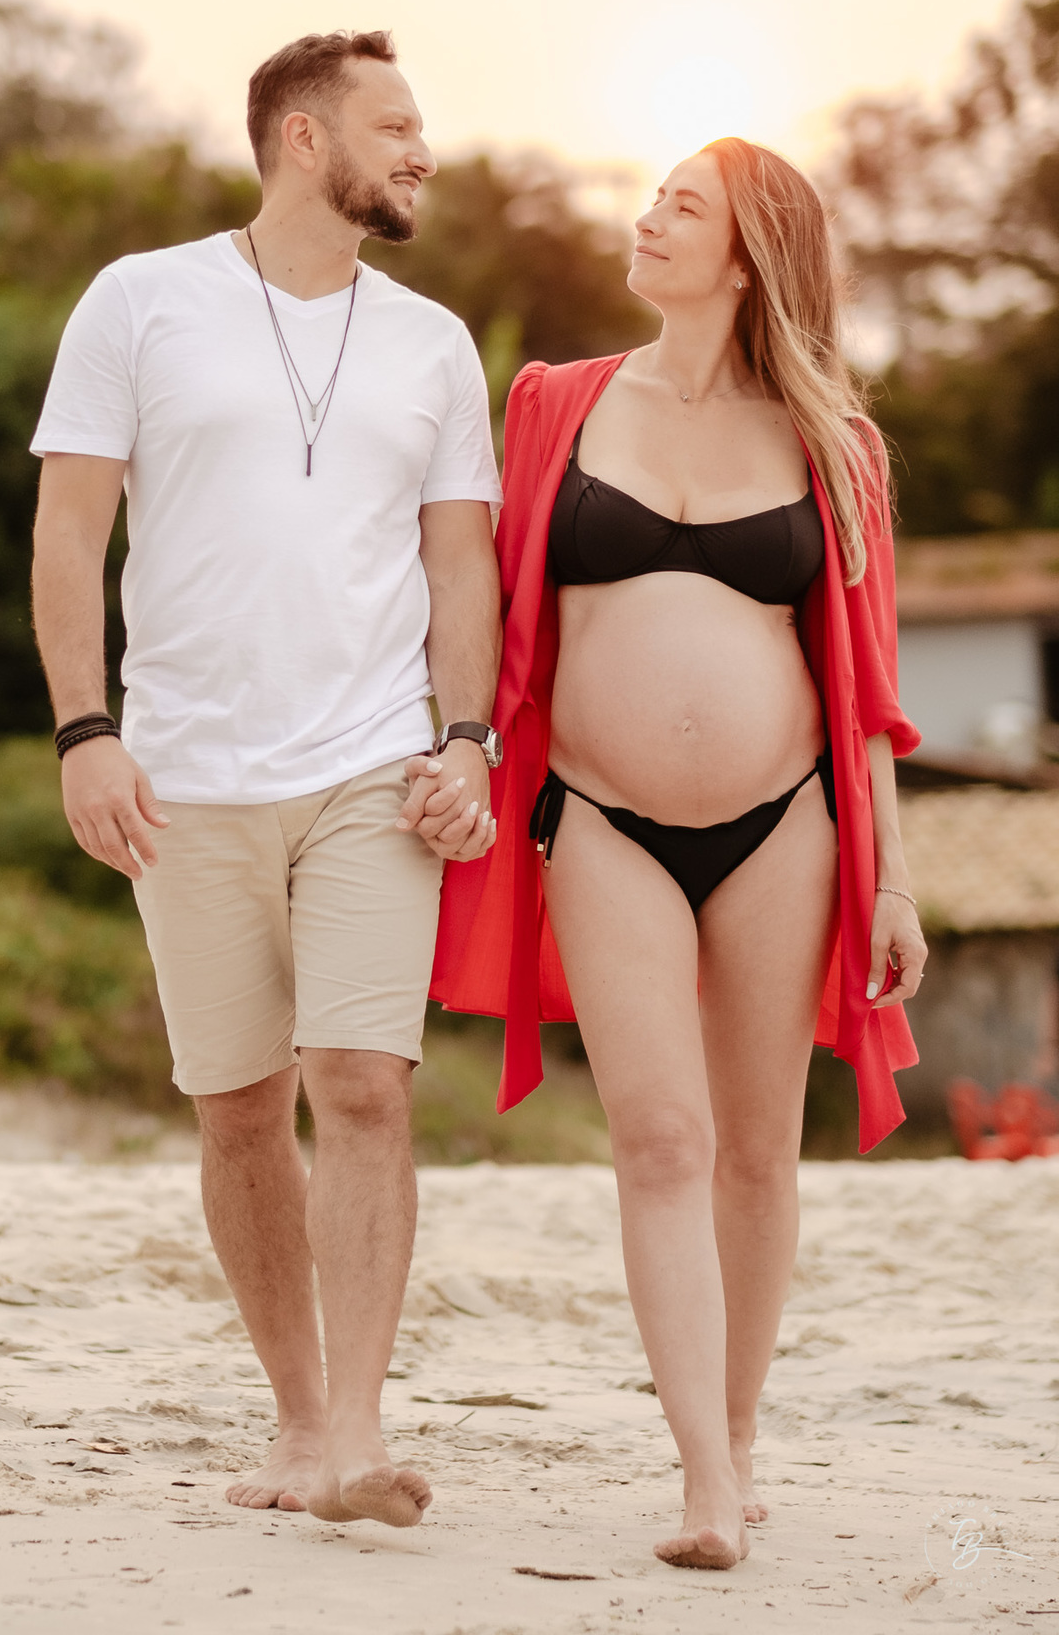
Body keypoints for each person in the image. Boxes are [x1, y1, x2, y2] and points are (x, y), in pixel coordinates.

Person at [423, 137, 927, 1568]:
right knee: (660, 1138)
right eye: (649, 199)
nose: (645, 221)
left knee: (759, 1155)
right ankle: (704, 1478)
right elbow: (471, 587)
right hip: (600, 817)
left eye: (680, 207)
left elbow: (872, 688)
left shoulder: (837, 444)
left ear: (750, 253)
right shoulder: (554, 405)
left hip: (789, 826)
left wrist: (891, 875)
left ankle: (742, 1428)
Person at [30, 30, 503, 1529]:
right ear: (305, 137)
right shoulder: (140, 301)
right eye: (398, 123)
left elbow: (459, 560)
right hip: (183, 771)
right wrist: (82, 731)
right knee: (238, 1111)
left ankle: (359, 1437)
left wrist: (468, 737)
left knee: (361, 1085)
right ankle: (298, 1425)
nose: (425, 149)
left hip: (375, 767)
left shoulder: (433, 342)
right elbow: (67, 536)